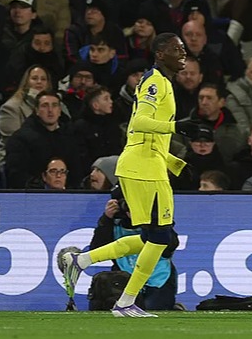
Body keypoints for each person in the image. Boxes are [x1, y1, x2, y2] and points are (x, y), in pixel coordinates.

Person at [61, 32, 196, 318]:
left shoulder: (163, 83)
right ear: (160, 53)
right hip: (144, 169)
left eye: (184, 49)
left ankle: (81, 259)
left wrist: (176, 164)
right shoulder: (155, 81)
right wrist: (177, 127)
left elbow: (144, 136)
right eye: (177, 49)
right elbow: (140, 122)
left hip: (148, 165)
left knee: (154, 237)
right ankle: (125, 302)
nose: (183, 53)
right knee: (161, 238)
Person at [88, 185, 180, 310]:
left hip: (158, 278)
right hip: (124, 278)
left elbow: (170, 247)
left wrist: (145, 221)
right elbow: (97, 249)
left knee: (151, 308)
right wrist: (106, 219)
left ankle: (171, 307)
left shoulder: (153, 217)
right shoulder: (113, 225)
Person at [4, 90, 84, 188]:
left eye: (54, 105)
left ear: (59, 111)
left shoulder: (70, 137)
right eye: (45, 106)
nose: (50, 110)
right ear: (36, 111)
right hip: (33, 195)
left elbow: (77, 172)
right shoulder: (20, 139)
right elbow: (16, 175)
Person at [0, 65, 56, 170]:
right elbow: (13, 142)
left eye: (43, 79)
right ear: (26, 82)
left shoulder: (58, 105)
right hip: (18, 157)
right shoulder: (11, 107)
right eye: (34, 78)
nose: (39, 82)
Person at [187, 83, 244, 163]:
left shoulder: (234, 129)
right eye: (201, 98)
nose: (204, 102)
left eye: (209, 98)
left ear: (222, 102)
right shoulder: (183, 126)